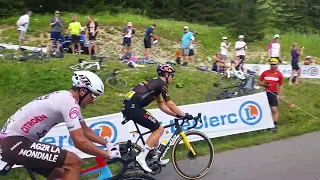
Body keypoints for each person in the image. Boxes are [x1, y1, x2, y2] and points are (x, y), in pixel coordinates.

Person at [0, 71, 121, 180]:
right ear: (83, 91)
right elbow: (80, 142)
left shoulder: (67, 99)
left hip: (16, 142)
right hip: (15, 143)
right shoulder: (69, 103)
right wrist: (107, 154)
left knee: (60, 174)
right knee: (74, 162)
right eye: (94, 96)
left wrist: (107, 144)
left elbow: (84, 130)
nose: (93, 101)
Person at [121, 64, 194, 172]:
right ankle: (141, 157)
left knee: (156, 128)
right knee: (159, 129)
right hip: (133, 107)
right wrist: (184, 115)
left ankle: (155, 157)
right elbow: (170, 104)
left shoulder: (156, 84)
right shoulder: (161, 84)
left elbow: (162, 106)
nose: (172, 78)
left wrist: (177, 115)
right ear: (166, 74)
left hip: (131, 106)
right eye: (171, 75)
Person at [259, 58, 284, 133]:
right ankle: (268, 126)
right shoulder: (265, 73)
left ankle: (275, 125)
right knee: (267, 110)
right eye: (271, 64)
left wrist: (279, 95)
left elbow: (281, 85)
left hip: (274, 93)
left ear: (277, 65)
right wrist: (263, 84)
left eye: (274, 64)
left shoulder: (279, 74)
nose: (272, 66)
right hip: (265, 93)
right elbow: (259, 81)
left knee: (274, 109)